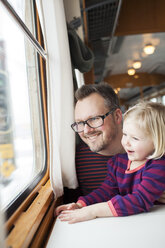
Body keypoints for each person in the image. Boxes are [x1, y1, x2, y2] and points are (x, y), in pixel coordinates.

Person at [56, 101, 165, 223]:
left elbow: (139, 200)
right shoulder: (118, 163)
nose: (126, 142)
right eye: (125, 134)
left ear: (157, 141)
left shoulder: (158, 166)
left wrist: (93, 211)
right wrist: (81, 205)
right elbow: (106, 191)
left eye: (135, 138)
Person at [72, 82, 125, 196]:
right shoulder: (73, 161)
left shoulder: (152, 150)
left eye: (94, 119)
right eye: (80, 123)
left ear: (117, 116)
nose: (86, 130)